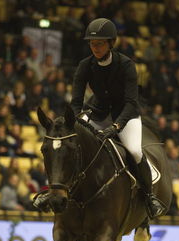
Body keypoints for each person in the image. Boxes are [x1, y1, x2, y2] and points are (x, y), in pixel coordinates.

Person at [70, 18, 164, 219]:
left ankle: (149, 198)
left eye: (100, 43)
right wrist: (77, 120)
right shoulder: (85, 65)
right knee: (73, 142)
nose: (95, 48)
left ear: (111, 43)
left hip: (126, 115)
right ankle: (63, 191)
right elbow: (76, 101)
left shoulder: (126, 65)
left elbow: (131, 102)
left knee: (134, 150)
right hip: (98, 112)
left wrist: (117, 125)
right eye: (92, 44)